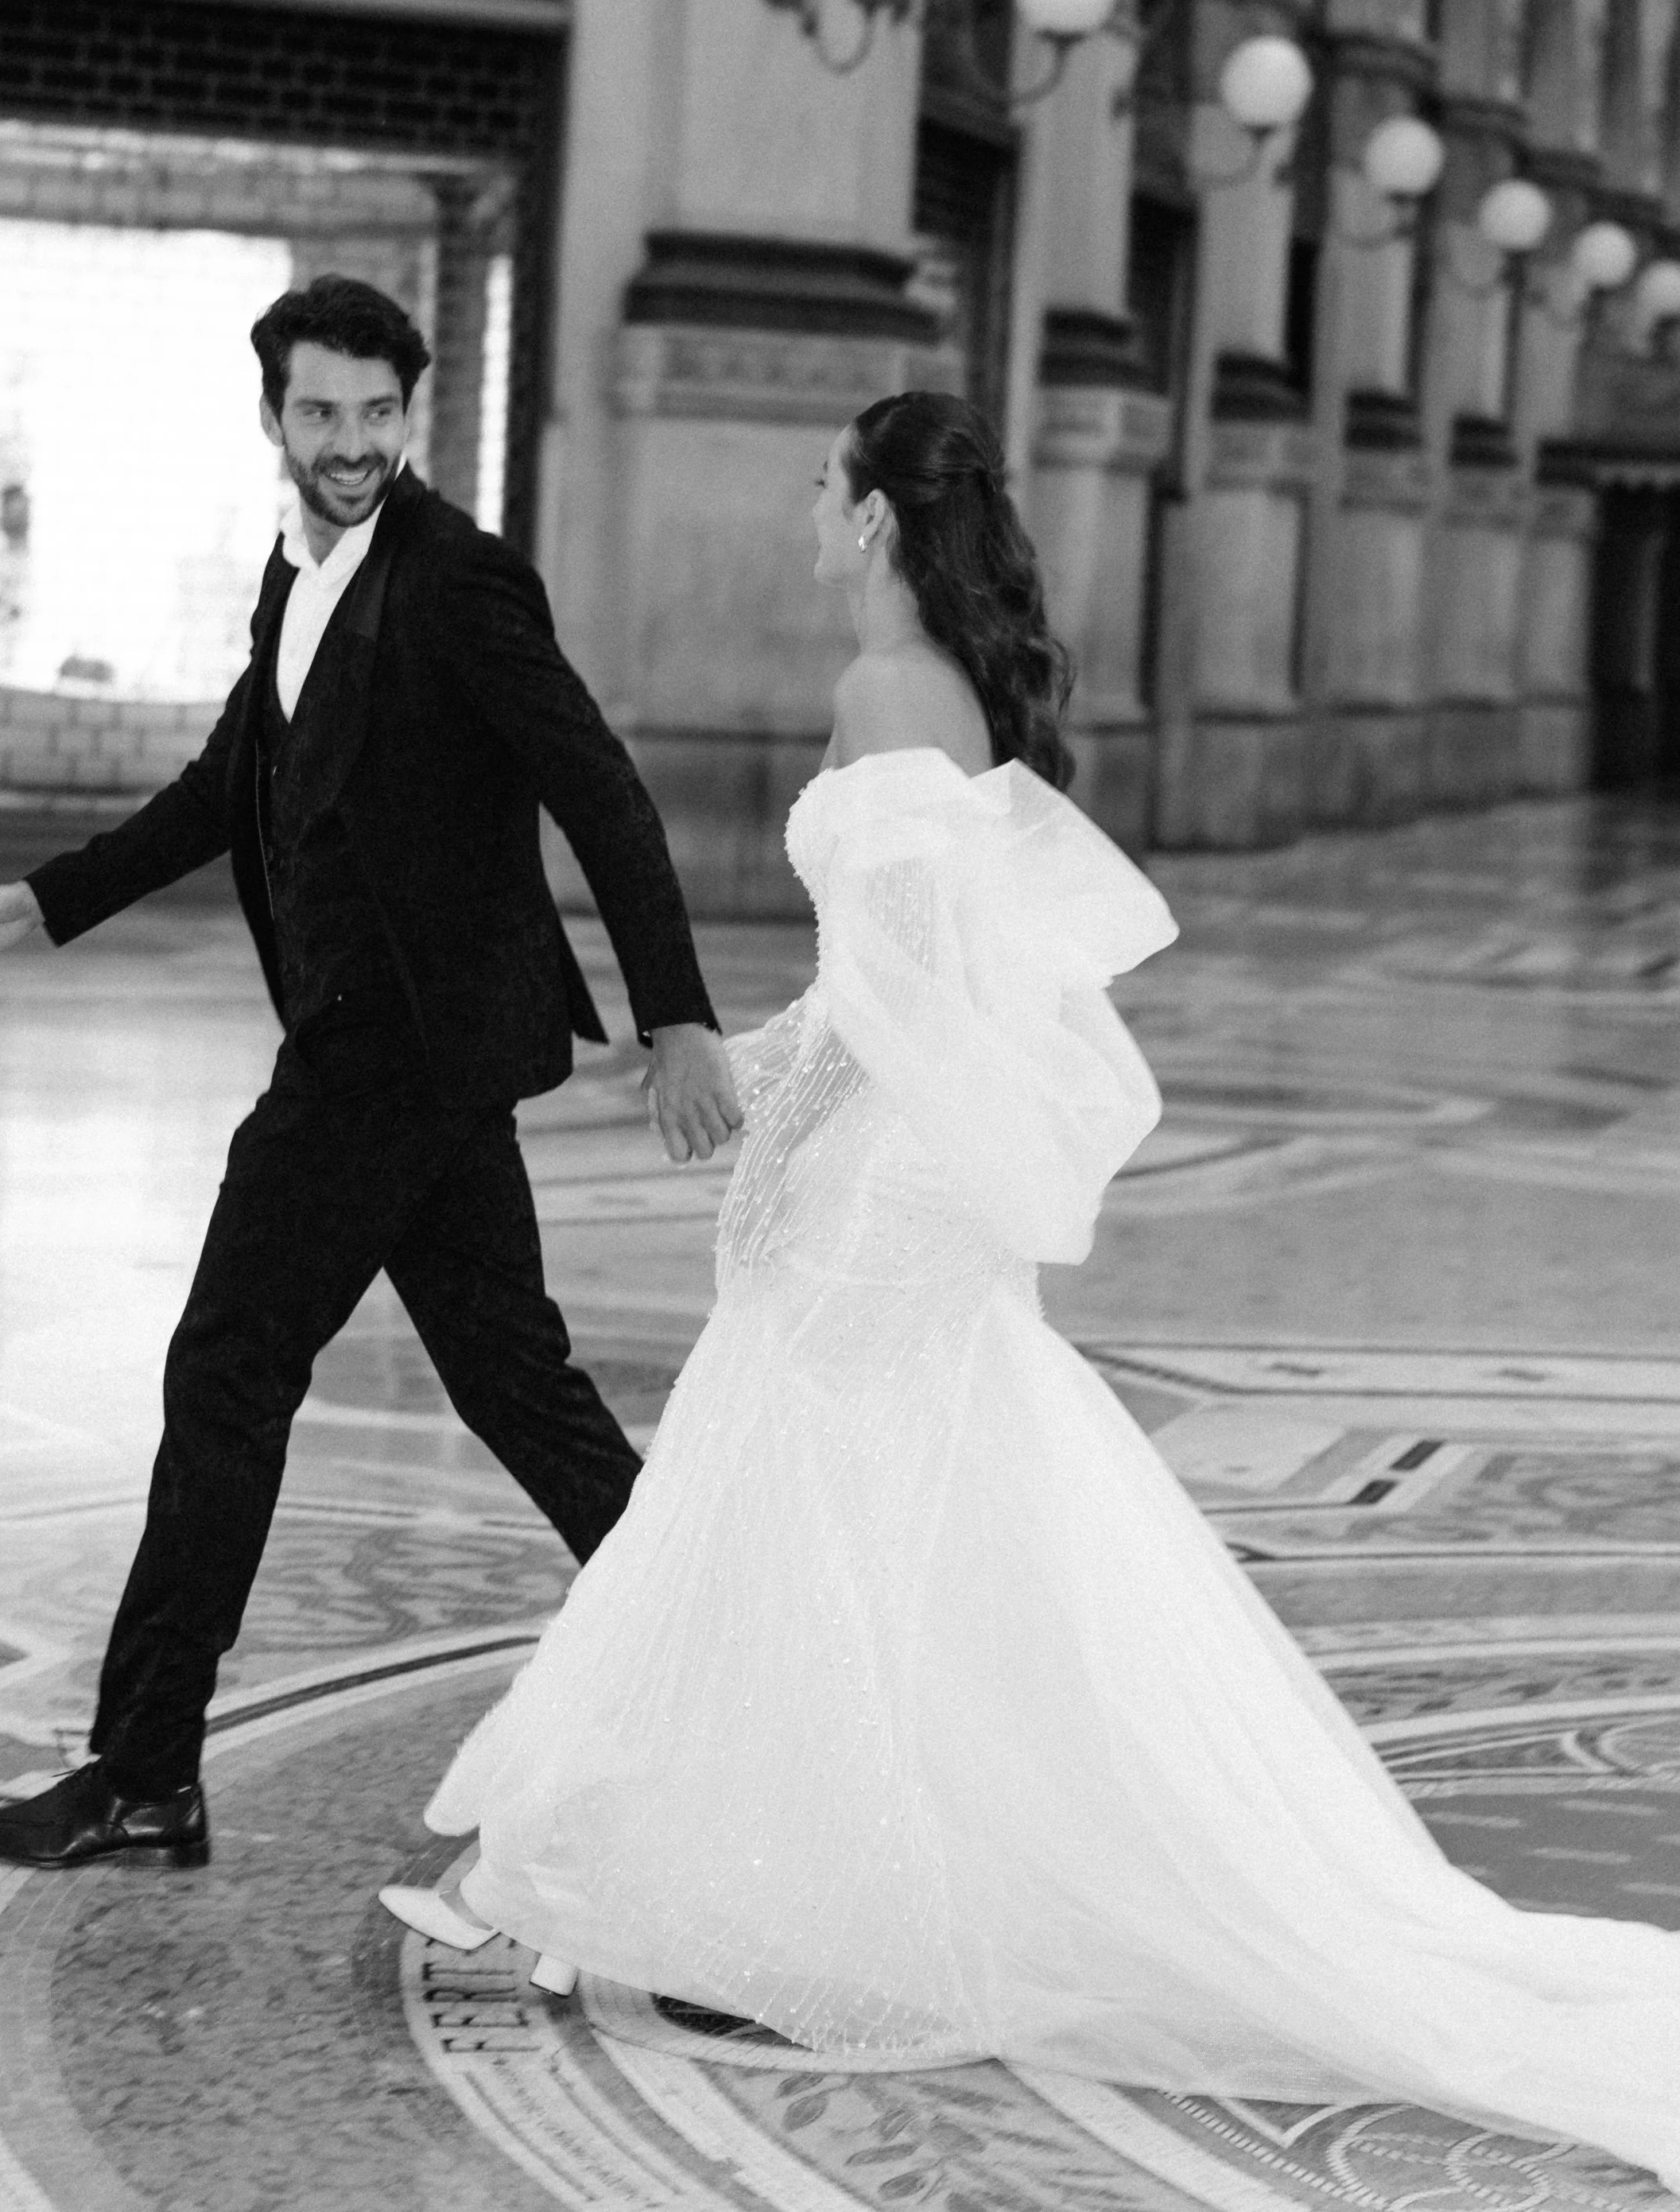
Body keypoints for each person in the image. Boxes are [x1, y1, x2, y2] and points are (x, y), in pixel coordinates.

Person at [381, 389, 1680, 2187]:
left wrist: (768, 1166)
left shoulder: (879, 698)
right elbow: (895, 980)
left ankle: (631, 1880)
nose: (802, 505)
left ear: (872, 523)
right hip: (908, 1142)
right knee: (843, 1502)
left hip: (885, 1164)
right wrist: (747, 1067)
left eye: (822, 485)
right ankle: (619, 1873)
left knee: (777, 1497)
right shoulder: (953, 698)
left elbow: (894, 989)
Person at [0, 274, 741, 1878]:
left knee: (226, 1370)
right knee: (520, 1389)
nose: (350, 442)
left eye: (376, 413)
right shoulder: (289, 576)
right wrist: (41, 902)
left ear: (410, 415)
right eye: (319, 412)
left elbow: (598, 787)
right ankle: (733, 1660)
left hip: (385, 1062)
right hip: (405, 1057)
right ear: (274, 418)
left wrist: (677, 1016)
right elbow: (230, 783)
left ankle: (145, 1770)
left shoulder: (461, 583)